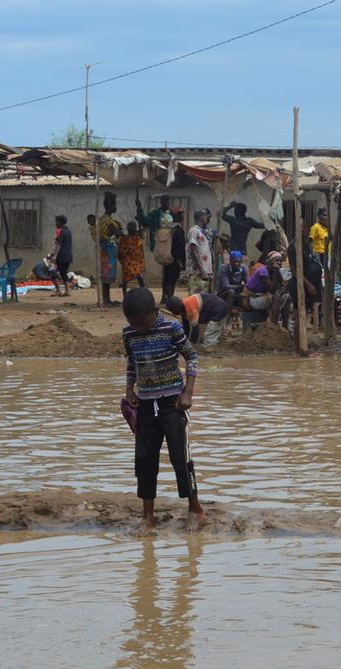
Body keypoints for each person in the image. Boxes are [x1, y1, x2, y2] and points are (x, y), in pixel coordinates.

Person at [121, 287, 205, 532]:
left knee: (181, 458)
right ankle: (148, 517)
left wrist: (187, 392)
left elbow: (192, 357)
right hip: (145, 403)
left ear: (155, 313)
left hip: (173, 403)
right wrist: (129, 389)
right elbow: (131, 362)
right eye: (133, 324)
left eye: (143, 323)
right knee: (145, 460)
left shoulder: (172, 329)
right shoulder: (129, 334)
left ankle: (195, 509)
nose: (140, 328)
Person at [165, 293, 231, 347]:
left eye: (172, 310)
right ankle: (215, 341)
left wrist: (192, 344)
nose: (173, 313)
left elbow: (195, 328)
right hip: (214, 308)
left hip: (219, 310)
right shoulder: (183, 307)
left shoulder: (190, 308)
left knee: (209, 336)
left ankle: (212, 348)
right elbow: (186, 326)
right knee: (207, 334)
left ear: (177, 308)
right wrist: (184, 340)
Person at [97, 192, 123, 306]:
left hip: (105, 249)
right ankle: (106, 300)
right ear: (109, 206)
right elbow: (117, 234)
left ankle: (107, 299)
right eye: (114, 205)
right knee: (107, 274)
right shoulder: (109, 221)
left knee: (106, 274)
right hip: (108, 249)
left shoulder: (103, 219)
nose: (116, 207)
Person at [185, 210, 213, 295]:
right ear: (202, 218)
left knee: (203, 300)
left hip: (203, 273)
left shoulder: (201, 232)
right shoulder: (194, 231)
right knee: (195, 300)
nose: (207, 220)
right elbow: (193, 251)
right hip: (197, 273)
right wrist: (202, 270)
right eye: (206, 217)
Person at [117, 220, 147, 299]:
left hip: (135, 261)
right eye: (130, 227)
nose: (132, 229)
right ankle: (125, 295)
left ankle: (144, 293)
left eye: (133, 227)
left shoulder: (136, 237)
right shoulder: (125, 238)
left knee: (137, 277)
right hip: (129, 261)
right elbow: (121, 250)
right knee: (126, 279)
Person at [161, 212, 186, 301]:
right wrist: (183, 262)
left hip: (165, 256)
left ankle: (164, 297)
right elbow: (181, 248)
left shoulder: (167, 229)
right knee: (172, 280)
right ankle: (170, 299)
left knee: (166, 278)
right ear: (180, 220)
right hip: (175, 259)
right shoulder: (179, 231)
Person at [52, 215, 73, 297]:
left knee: (53, 272)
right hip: (68, 255)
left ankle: (62, 291)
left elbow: (59, 244)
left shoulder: (60, 231)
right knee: (63, 272)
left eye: (57, 221)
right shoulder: (68, 231)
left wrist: (55, 256)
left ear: (60, 222)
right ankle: (64, 290)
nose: (55, 223)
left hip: (61, 256)